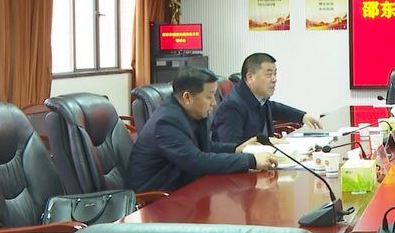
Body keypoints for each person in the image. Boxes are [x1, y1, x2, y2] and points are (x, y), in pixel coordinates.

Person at [128, 67, 277, 192]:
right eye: (209, 96)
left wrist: (238, 149)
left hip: (184, 188)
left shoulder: (192, 112)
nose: (214, 102)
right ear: (187, 97)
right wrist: (251, 161)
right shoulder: (166, 123)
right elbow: (197, 162)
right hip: (155, 200)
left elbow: (206, 147)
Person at [212, 53, 323, 144]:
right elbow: (232, 149)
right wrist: (267, 144)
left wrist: (303, 116)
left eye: (275, 74)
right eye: (269, 75)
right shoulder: (232, 106)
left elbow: (275, 108)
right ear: (250, 78)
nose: (274, 79)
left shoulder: (258, 99)